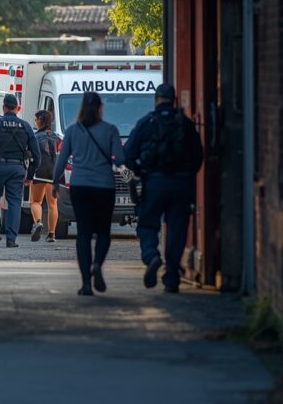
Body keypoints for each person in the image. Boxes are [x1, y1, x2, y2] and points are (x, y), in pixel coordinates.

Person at [123, 83, 203, 293]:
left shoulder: (146, 123)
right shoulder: (184, 124)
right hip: (181, 184)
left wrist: (137, 176)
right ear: (174, 100)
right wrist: (187, 176)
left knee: (147, 225)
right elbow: (197, 156)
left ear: (156, 100)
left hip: (154, 182)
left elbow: (127, 156)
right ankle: (172, 277)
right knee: (177, 229)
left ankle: (151, 256)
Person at [51, 91, 124, 296]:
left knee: (83, 233)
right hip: (104, 186)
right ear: (100, 108)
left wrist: (55, 183)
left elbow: (61, 159)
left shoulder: (73, 131)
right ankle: (97, 265)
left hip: (80, 186)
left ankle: (85, 284)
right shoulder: (110, 130)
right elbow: (119, 159)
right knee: (103, 232)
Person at [0, 93, 40, 248]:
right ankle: (11, 239)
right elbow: (36, 155)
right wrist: (30, 176)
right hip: (17, 169)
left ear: (4, 107)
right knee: (14, 202)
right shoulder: (25, 126)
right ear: (17, 108)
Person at [30, 110, 60, 243]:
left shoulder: (35, 137)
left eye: (36, 119)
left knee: (36, 201)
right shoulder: (57, 137)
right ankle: (52, 234)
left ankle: (38, 222)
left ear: (41, 120)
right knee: (53, 204)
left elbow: (32, 155)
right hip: (53, 173)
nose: (35, 122)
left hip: (39, 172)